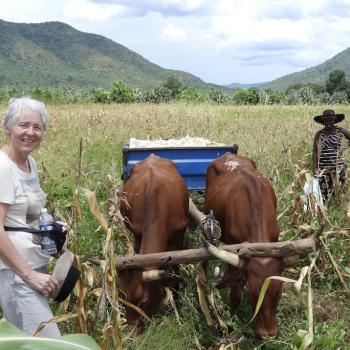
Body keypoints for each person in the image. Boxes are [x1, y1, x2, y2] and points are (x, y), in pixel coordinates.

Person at [0, 97, 60, 337]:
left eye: (37, 127)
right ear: (8, 127)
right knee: (48, 341)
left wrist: (52, 231)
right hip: (16, 274)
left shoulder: (29, 162)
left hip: (31, 267)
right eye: (23, 125)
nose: (30, 132)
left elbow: (25, 218)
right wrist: (29, 275)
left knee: (20, 339)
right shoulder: (3, 168)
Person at [312, 109, 350, 201]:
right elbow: (315, 152)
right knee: (324, 192)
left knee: (338, 189)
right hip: (323, 167)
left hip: (338, 166)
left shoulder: (340, 131)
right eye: (326, 120)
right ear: (323, 122)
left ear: (334, 120)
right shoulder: (319, 135)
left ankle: (339, 203)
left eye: (331, 120)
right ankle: (326, 206)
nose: (328, 122)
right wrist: (315, 168)